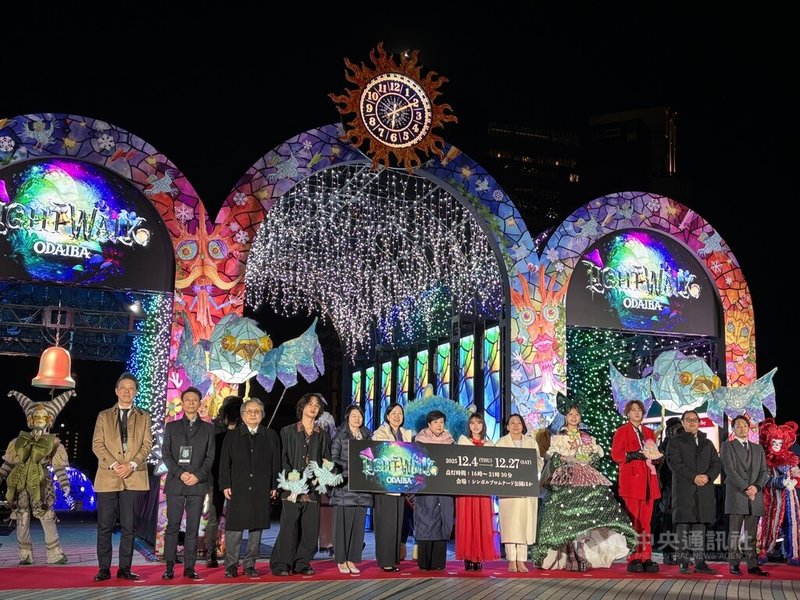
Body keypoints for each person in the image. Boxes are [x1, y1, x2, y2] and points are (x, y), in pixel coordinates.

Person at [533, 404, 635, 571]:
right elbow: (553, 458)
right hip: (566, 478)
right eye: (570, 414)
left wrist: (589, 459)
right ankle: (570, 552)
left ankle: (580, 550)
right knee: (568, 517)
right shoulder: (558, 438)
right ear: (566, 417)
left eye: (577, 414)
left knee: (585, 516)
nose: (574, 417)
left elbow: (596, 458)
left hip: (586, 478)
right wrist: (565, 459)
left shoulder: (587, 437)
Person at [91, 372, 153, 582]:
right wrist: (115, 464)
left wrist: (132, 464)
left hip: (134, 476)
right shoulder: (103, 415)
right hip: (108, 475)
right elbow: (97, 444)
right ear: (116, 391)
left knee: (129, 527)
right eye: (123, 388)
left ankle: (124, 569)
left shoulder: (144, 416)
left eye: (131, 388)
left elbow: (147, 445)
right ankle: (104, 569)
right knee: (104, 526)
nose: (127, 391)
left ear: (136, 392)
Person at [1, 390, 75, 566]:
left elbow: (59, 468)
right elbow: (8, 464)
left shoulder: (53, 443)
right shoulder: (19, 441)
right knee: (22, 518)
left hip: (42, 483)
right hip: (21, 484)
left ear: (49, 420)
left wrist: (65, 484)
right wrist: (1, 475)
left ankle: (54, 554)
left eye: (43, 417)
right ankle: (25, 554)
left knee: (47, 516)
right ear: (30, 419)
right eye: (36, 416)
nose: (39, 419)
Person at [270, 393, 332, 576]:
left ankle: (302, 563)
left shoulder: (322, 434)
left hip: (312, 488)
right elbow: (283, 459)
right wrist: (293, 480)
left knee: (310, 529)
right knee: (289, 527)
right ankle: (282, 564)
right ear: (302, 406)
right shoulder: (287, 431)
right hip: (292, 487)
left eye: (317, 405)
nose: (313, 408)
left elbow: (326, 459)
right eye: (310, 404)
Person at [218, 397, 280, 578]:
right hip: (238, 487)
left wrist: (275, 485)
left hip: (261, 487)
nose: (253, 414)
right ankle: (231, 565)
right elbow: (224, 463)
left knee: (256, 527)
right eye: (249, 411)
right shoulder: (232, 436)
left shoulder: (270, 435)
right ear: (242, 415)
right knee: (234, 529)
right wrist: (225, 484)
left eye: (257, 411)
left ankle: (250, 565)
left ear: (262, 414)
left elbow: (276, 462)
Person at [161, 386, 215, 580]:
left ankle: (189, 567)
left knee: (193, 527)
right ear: (182, 403)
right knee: (173, 526)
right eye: (188, 399)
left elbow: (210, 456)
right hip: (176, 483)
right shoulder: (171, 427)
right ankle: (169, 566)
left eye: (195, 400)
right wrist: (181, 473)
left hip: (197, 484)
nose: (191, 403)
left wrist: (197, 476)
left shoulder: (208, 428)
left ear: (200, 403)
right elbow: (166, 454)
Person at [666, 410, 721, 575]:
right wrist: (694, 477)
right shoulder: (675, 442)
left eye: (695, 419)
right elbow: (675, 464)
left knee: (700, 528)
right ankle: (683, 562)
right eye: (688, 419)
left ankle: (700, 562)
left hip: (704, 490)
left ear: (699, 422)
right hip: (684, 489)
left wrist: (708, 477)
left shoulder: (707, 442)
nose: (692, 422)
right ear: (683, 423)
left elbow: (716, 464)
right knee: (683, 528)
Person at [611, 399, 662, 573]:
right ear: (627, 413)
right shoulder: (621, 431)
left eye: (639, 410)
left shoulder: (649, 432)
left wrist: (658, 458)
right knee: (634, 521)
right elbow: (616, 455)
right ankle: (634, 557)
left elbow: (652, 452)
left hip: (648, 482)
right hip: (632, 482)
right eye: (633, 410)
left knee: (646, 522)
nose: (637, 412)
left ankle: (646, 556)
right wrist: (631, 455)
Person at [721, 415, 769, 576]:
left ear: (749, 428)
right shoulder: (727, 446)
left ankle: (752, 565)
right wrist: (746, 488)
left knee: (751, 534)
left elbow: (764, 471)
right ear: (733, 429)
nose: (742, 428)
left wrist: (756, 487)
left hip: (755, 495)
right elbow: (729, 470)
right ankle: (734, 564)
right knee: (734, 533)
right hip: (737, 494)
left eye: (744, 425)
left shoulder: (758, 448)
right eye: (738, 426)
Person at [329, 404, 372, 573]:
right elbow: (333, 459)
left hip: (363, 489)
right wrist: (349, 470)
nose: (357, 418)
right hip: (344, 488)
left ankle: (352, 560)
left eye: (360, 415)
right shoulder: (340, 435)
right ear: (347, 417)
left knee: (358, 528)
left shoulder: (368, 435)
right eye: (354, 415)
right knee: (342, 527)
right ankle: (341, 560)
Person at [371, 402, 413, 572]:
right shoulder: (379, 433)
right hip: (384, 487)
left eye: (400, 413)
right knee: (385, 524)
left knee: (397, 524)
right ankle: (385, 560)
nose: (397, 416)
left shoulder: (406, 434)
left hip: (400, 486)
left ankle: (393, 559)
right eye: (393, 413)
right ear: (387, 416)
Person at [496, 413, 539, 572]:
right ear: (507, 426)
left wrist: (530, 468)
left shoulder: (531, 442)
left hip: (527, 488)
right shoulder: (501, 443)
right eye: (512, 423)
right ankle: (511, 559)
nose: (515, 426)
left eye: (519, 423)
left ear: (523, 426)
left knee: (524, 524)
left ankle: (521, 560)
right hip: (509, 490)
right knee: (511, 524)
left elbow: (539, 461)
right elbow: (496, 463)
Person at [455, 413, 499, 571]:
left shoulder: (490, 445)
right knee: (466, 521)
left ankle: (479, 556)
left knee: (482, 521)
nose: (475, 426)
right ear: (468, 426)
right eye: (472, 423)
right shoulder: (462, 442)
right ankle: (467, 556)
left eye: (478, 422)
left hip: (483, 490)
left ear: (483, 425)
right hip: (466, 490)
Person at [413, 410, 455, 570]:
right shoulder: (419, 441)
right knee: (426, 520)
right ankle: (424, 562)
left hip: (444, 488)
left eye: (441, 422)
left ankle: (438, 562)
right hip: (425, 488)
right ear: (429, 424)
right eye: (435, 422)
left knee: (443, 521)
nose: (439, 425)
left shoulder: (450, 441)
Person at [204, 395, 242, 568]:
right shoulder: (214, 428)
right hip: (216, 478)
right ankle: (211, 554)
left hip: (235, 479)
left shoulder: (242, 428)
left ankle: (230, 556)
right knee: (215, 517)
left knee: (231, 518)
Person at [653, 417, 682, 564]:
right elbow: (656, 467)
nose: (676, 432)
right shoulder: (662, 447)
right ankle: (668, 554)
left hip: (682, 488)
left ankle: (680, 553)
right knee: (668, 521)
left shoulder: (682, 445)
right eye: (675, 429)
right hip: (667, 490)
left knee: (681, 522)